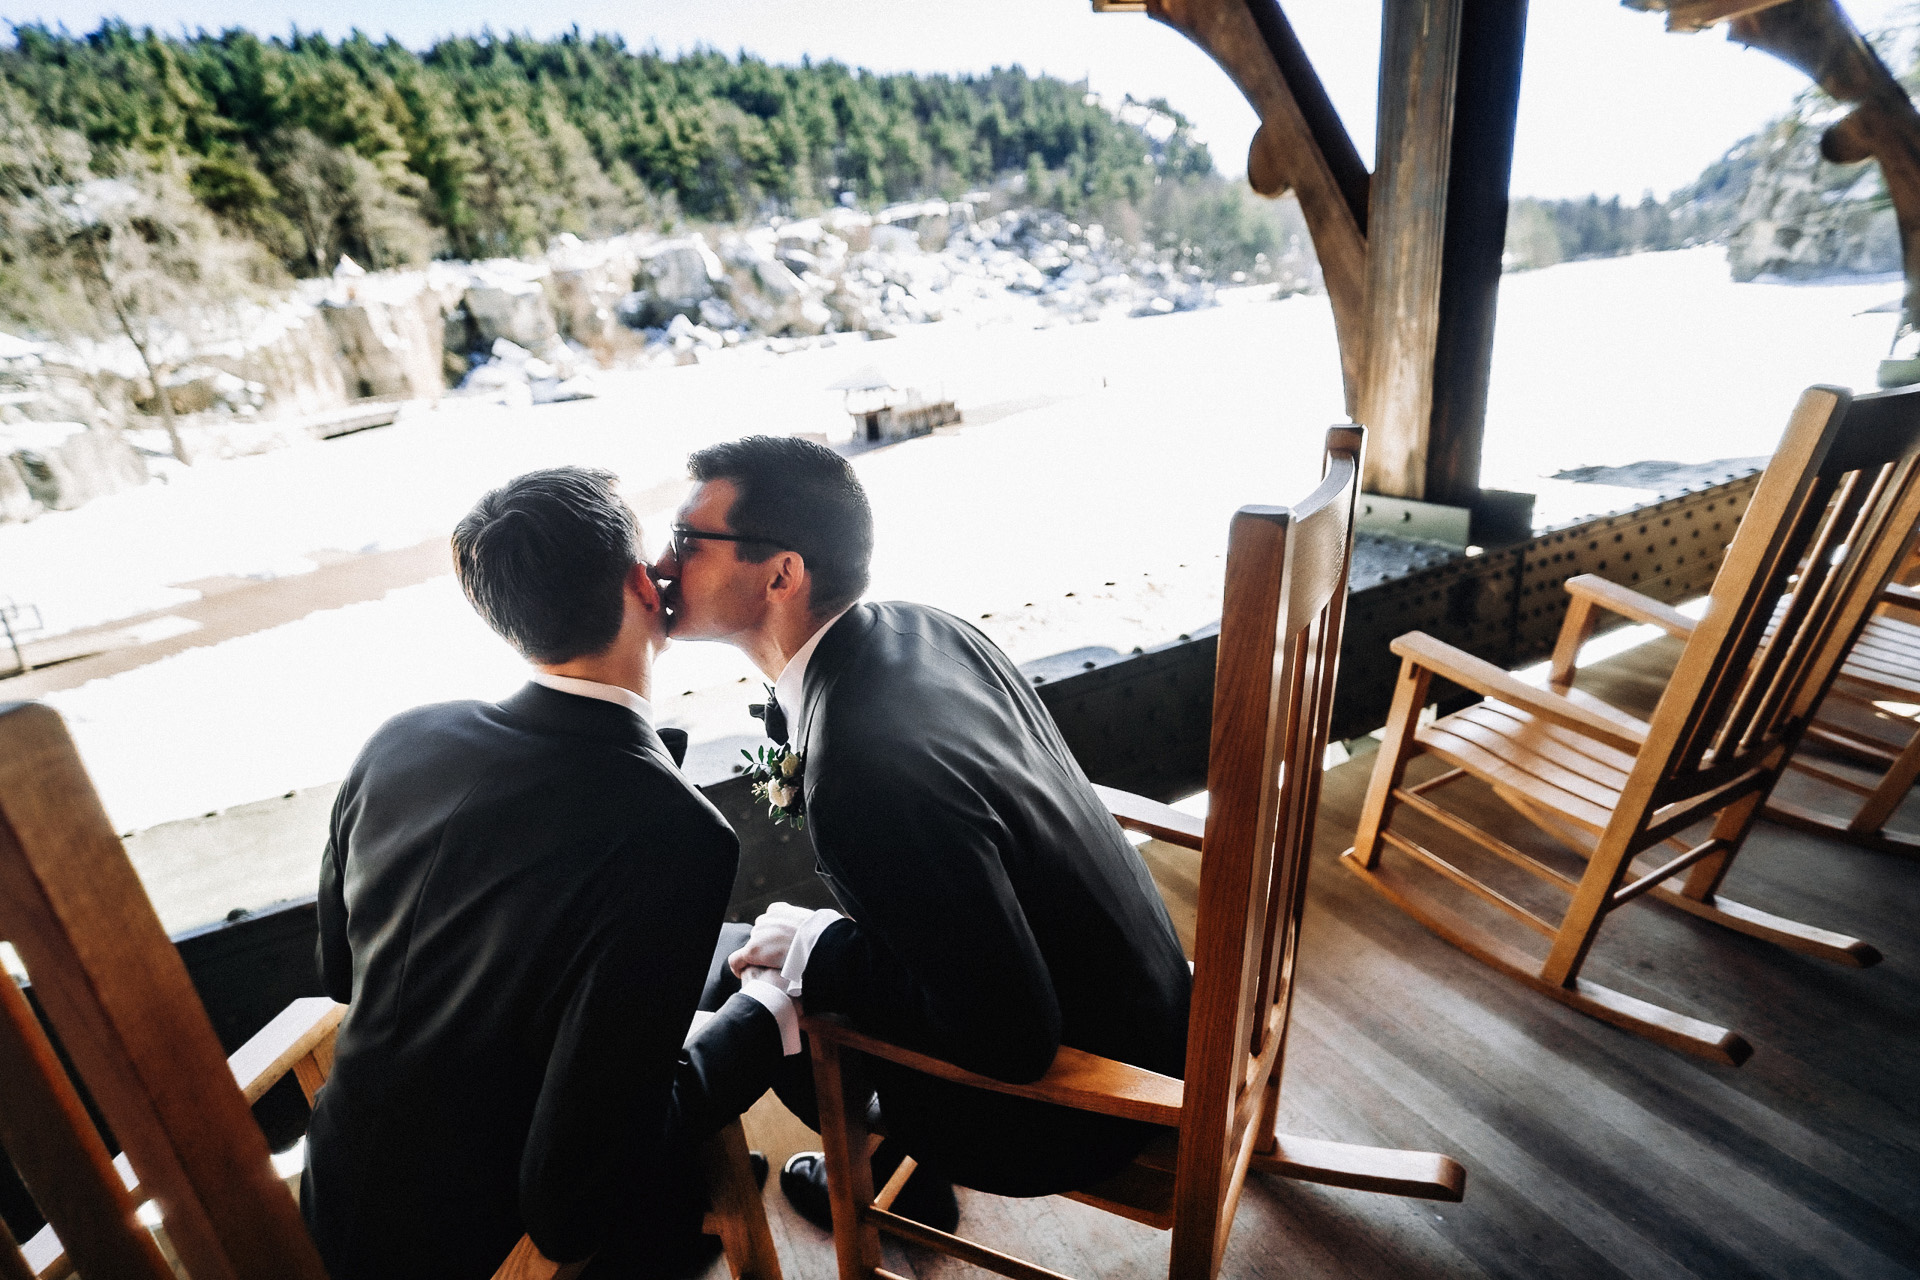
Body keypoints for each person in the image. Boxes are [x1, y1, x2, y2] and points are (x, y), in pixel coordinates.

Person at [651, 436, 1192, 1229]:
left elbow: (1011, 1043)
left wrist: (818, 952)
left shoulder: (863, 769)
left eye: (686, 540)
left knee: (755, 979)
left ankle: (896, 1177)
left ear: (782, 574)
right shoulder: (925, 627)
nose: (659, 563)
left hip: (1084, 1106)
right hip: (1160, 1008)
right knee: (785, 948)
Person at [302, 467, 799, 1280]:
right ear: (641, 584)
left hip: (338, 1194)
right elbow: (568, 1209)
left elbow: (340, 972)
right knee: (740, 1012)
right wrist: (766, 1016)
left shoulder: (401, 739)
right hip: (483, 1250)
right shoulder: (675, 833)